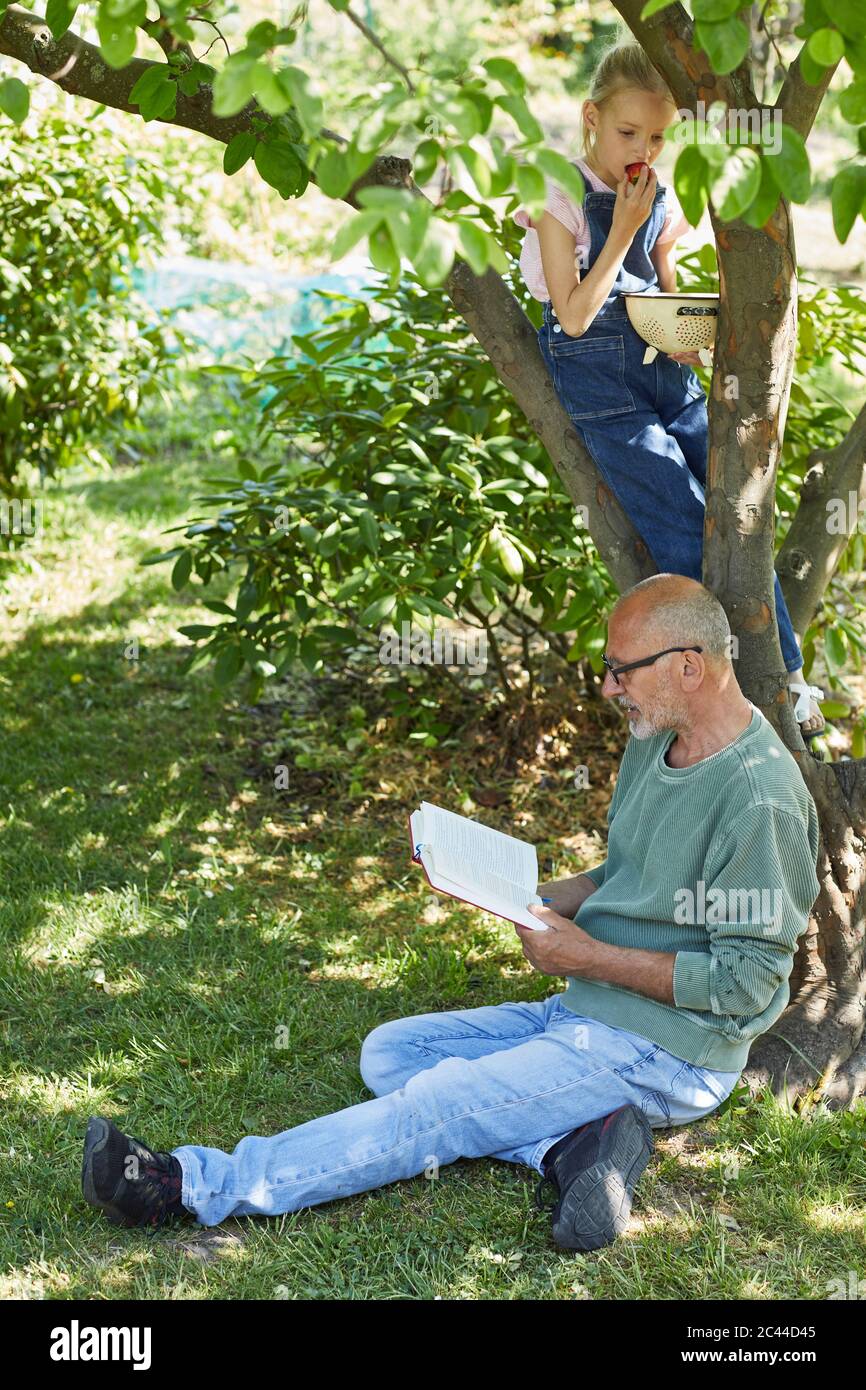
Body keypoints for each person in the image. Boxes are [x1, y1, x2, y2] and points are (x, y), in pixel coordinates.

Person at [81, 574, 822, 1252]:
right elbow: (628, 878)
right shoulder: (659, 737)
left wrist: (585, 957)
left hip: (670, 1053)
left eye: (620, 670)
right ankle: (571, 1147)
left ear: (688, 666)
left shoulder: (759, 801)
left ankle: (186, 1185)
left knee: (444, 1101)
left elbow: (745, 985)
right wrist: (523, 893)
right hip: (589, 1011)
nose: (606, 688)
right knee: (390, 1054)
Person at [512, 37, 824, 741]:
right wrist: (620, 226)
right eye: (628, 132)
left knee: (739, 512)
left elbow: (663, 279)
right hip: (603, 388)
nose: (643, 149)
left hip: (662, 368)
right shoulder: (558, 191)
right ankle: (737, 688)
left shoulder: (656, 188)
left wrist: (690, 333)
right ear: (591, 117)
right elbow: (573, 312)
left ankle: (790, 677)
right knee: (685, 528)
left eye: (658, 135)